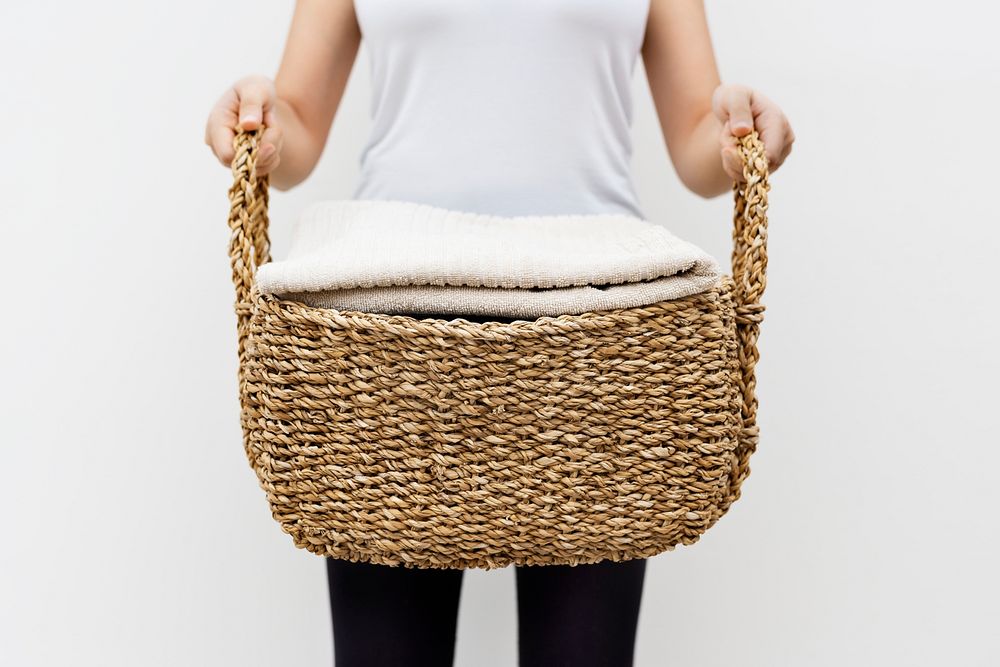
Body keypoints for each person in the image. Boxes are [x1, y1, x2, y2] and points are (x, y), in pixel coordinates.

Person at [205, 1, 793, 665]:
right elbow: (301, 122)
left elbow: (694, 135)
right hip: (387, 336)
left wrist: (732, 133)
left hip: (599, 334)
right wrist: (262, 121)